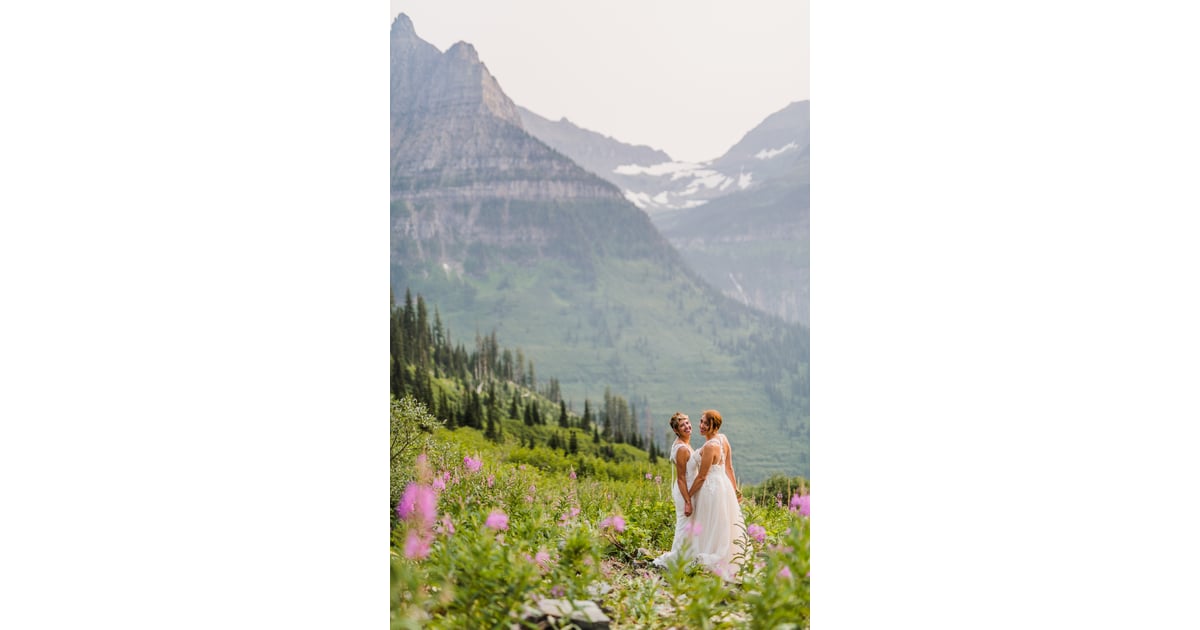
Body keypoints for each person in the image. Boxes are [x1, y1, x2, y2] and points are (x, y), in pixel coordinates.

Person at [686, 409, 746, 577]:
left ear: (715, 426)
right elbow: (729, 468)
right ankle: (726, 557)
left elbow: (701, 477)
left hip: (710, 489)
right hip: (724, 486)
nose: (702, 426)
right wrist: (734, 491)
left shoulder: (711, 446)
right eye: (701, 421)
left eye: (706, 423)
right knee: (721, 521)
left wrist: (688, 496)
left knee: (709, 521)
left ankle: (708, 556)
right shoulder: (723, 439)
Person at [651, 412, 698, 569]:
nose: (687, 426)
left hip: (688, 490)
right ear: (676, 430)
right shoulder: (682, 449)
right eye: (682, 425)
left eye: (688, 422)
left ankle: (687, 556)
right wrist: (687, 501)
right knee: (684, 525)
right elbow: (681, 478)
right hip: (684, 491)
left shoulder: (684, 443)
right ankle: (677, 559)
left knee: (689, 525)